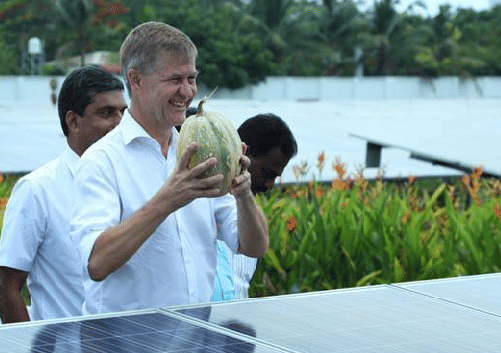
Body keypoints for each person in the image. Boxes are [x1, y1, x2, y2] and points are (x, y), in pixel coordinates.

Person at [70, 21, 268, 315]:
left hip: (196, 343)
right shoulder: (101, 161)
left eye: (192, 78)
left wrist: (242, 194)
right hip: (125, 351)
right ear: (135, 81)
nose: (187, 92)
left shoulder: (202, 153)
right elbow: (97, 263)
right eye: (175, 79)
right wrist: (168, 199)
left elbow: (254, 247)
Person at [0, 66, 127, 323]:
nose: (119, 124)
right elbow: (6, 285)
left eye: (123, 112)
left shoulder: (134, 180)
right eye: (107, 113)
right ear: (73, 121)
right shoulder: (37, 190)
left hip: (138, 349)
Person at [211, 113, 298, 301]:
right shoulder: (205, 199)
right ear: (244, 152)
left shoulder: (249, 209)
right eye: (267, 173)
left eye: (276, 177)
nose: (270, 185)